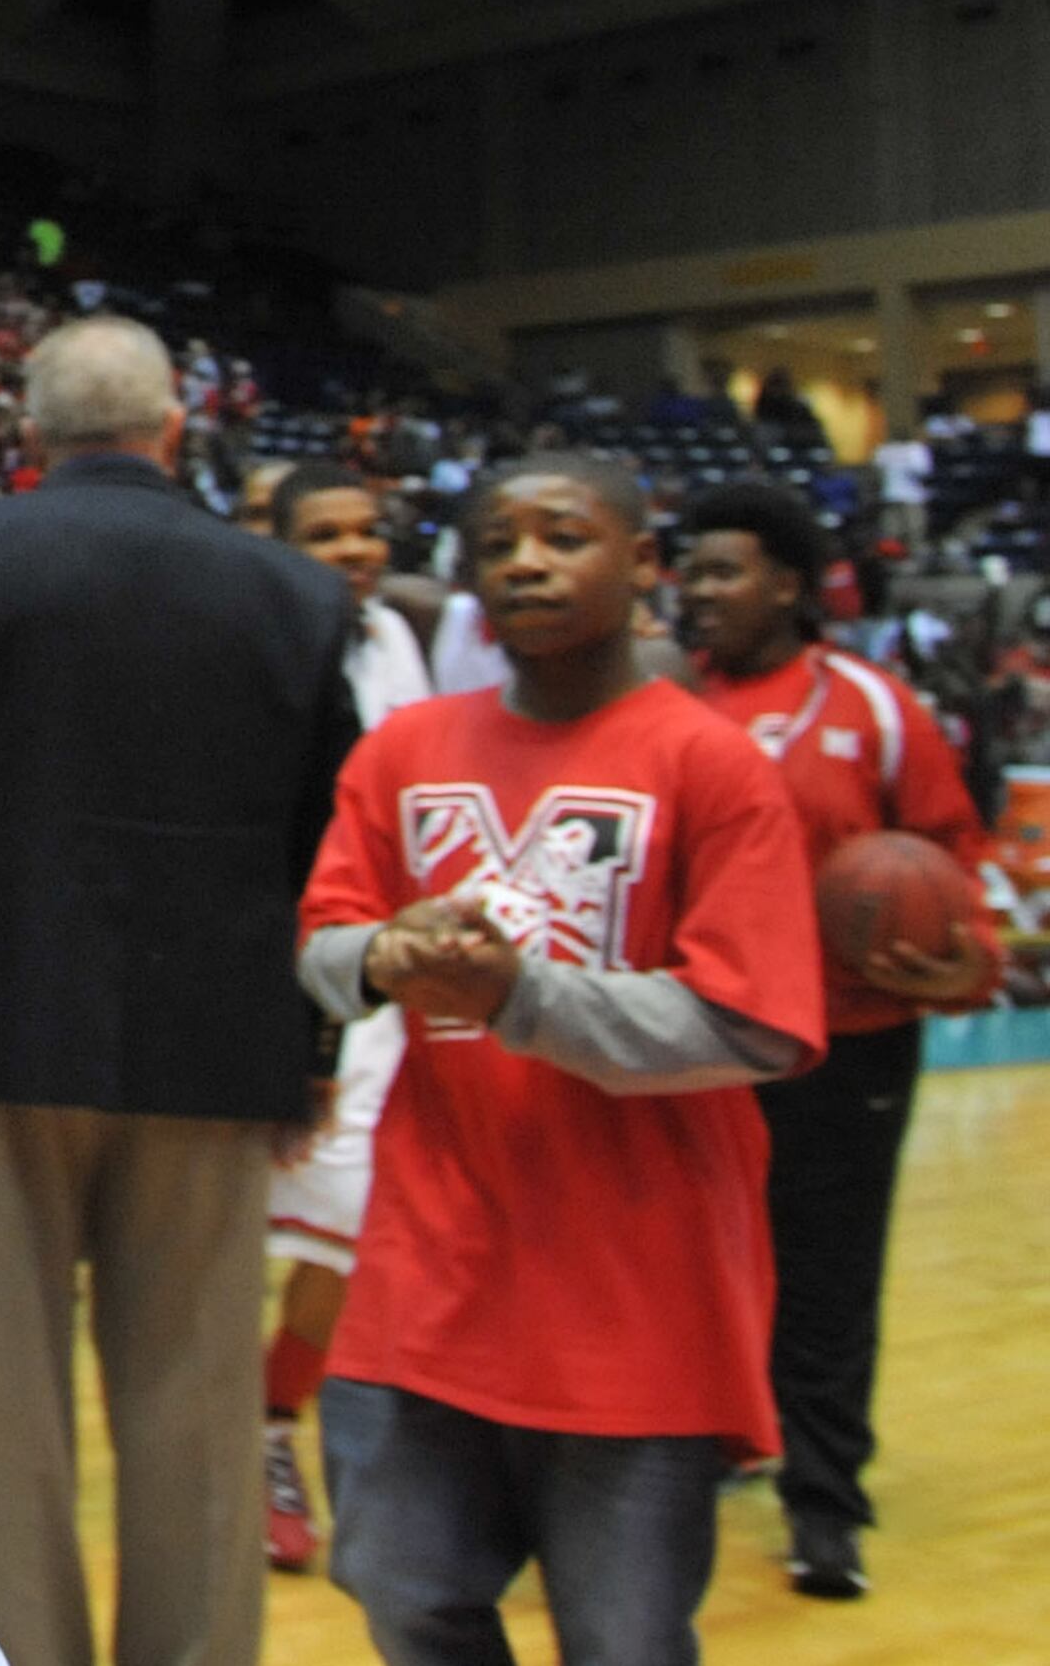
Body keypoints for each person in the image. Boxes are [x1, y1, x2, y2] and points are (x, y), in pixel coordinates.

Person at [0, 315, 359, 1666]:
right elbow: (327, 844)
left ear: (29, 435)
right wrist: (315, 1043)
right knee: (198, 1410)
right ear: (175, 427)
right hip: (217, 1042)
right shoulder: (291, 591)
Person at [300, 456, 824, 1666]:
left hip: (639, 1289)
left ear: (642, 565)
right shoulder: (403, 749)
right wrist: (388, 950)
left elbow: (752, 1025)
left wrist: (519, 994)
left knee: (623, 1639)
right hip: (429, 1270)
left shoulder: (712, 764)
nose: (526, 559)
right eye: (499, 541)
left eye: (563, 535)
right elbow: (323, 949)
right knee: (404, 1594)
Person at [672, 478, 1000, 1599]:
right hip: (699, 1030)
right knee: (698, 1262)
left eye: (723, 569)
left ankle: (824, 1499)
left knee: (826, 1273)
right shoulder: (661, 702)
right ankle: (712, 1440)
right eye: (692, 568)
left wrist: (969, 959)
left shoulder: (870, 699)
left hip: (847, 1032)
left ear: (791, 585)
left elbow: (950, 852)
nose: (697, 587)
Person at [255, 461, 439, 1575]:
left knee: (352, 1220)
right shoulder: (256, 633)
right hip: (262, 964)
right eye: (327, 532)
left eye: (369, 529)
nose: (356, 548)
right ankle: (245, 1434)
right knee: (236, 1232)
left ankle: (278, 1414)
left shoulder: (397, 643)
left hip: (374, 966)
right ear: (278, 543)